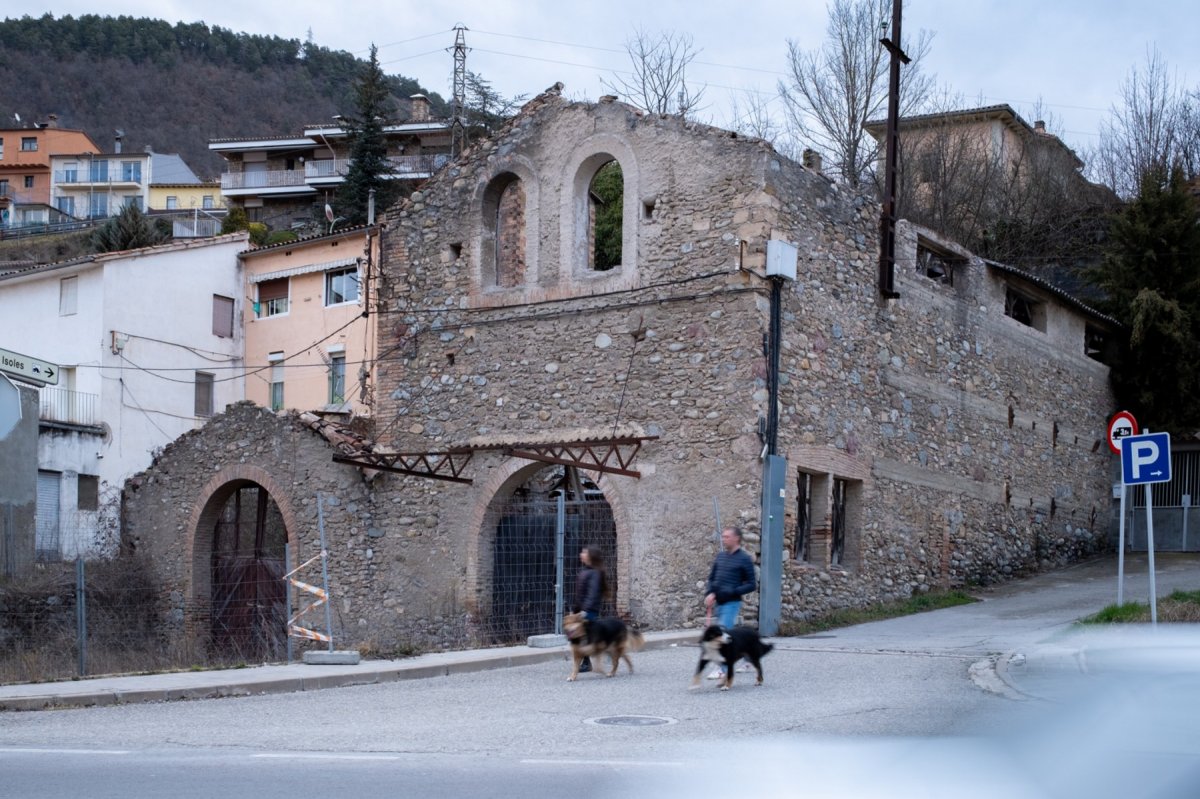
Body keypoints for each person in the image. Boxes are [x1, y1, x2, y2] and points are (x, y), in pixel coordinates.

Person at [704, 527, 757, 678]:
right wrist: (710, 593)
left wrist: (733, 591)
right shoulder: (720, 557)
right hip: (719, 602)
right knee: (732, 635)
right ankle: (749, 659)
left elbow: (752, 584)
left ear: (736, 539)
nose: (724, 539)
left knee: (722, 635)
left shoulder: (744, 559)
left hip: (732, 603)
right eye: (723, 536)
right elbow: (712, 579)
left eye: (727, 537)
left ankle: (723, 670)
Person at [572, 545, 606, 673]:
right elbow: (581, 594)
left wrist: (584, 611)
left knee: (585, 636)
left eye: (584, 552)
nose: (581, 554)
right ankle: (588, 662)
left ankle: (591, 661)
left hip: (588, 611)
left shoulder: (594, 573)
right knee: (583, 635)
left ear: (591, 556)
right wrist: (575, 610)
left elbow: (592, 594)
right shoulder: (586, 570)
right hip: (582, 610)